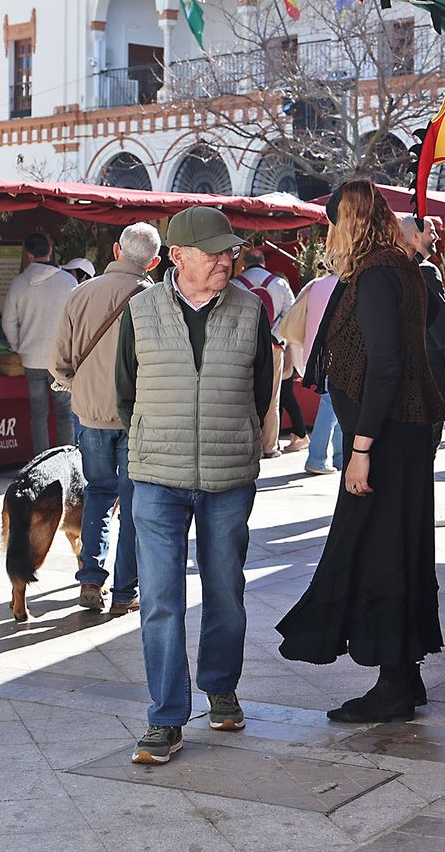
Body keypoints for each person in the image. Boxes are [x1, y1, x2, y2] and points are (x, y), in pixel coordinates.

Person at [279, 181, 445, 722]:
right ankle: (407, 672)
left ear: (349, 221)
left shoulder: (376, 274)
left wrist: (362, 447)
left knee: (380, 554)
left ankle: (394, 683)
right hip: (404, 431)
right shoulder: (400, 268)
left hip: (388, 437)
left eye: (332, 222)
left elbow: (387, 365)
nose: (329, 234)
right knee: (398, 548)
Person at [116, 207, 271, 765]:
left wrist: (243, 436)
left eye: (229, 250)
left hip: (228, 475)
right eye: (213, 251)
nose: (226, 259)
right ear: (176, 257)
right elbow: (125, 393)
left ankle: (221, 685)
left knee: (226, 588)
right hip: (157, 476)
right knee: (159, 599)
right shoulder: (139, 310)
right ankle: (165, 718)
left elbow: (261, 391)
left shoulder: (252, 309)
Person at [51, 222, 161, 615]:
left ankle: (91, 577)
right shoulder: (156, 300)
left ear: (116, 251)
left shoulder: (80, 294)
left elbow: (59, 361)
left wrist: (78, 387)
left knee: (98, 493)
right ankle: (124, 592)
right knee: (133, 503)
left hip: (90, 416)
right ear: (156, 261)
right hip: (137, 419)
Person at [3, 233, 77, 454]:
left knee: (38, 414)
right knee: (65, 412)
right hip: (61, 359)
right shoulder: (68, 281)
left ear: (28, 255)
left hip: (31, 358)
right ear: (51, 250)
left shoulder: (18, 284)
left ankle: (40, 461)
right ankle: (65, 461)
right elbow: (77, 320)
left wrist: (18, 347)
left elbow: (8, 321)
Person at [399, 215, 445, 455]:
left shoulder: (394, 268)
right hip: (429, 360)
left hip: (402, 362)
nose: (435, 237)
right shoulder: (425, 271)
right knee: (428, 434)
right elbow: (439, 318)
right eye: (430, 232)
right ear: (415, 236)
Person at [236, 249, 302, 456]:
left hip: (245, 347)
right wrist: (275, 336)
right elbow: (291, 314)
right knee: (273, 396)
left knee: (244, 396)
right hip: (274, 346)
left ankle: (249, 445)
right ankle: (270, 446)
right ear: (264, 263)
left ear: (244, 265)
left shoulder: (236, 284)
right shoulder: (279, 284)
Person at [277, 273, 344, 476]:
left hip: (315, 354)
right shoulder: (344, 285)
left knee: (338, 405)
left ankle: (341, 457)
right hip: (337, 354)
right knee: (332, 404)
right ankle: (317, 457)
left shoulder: (316, 285)